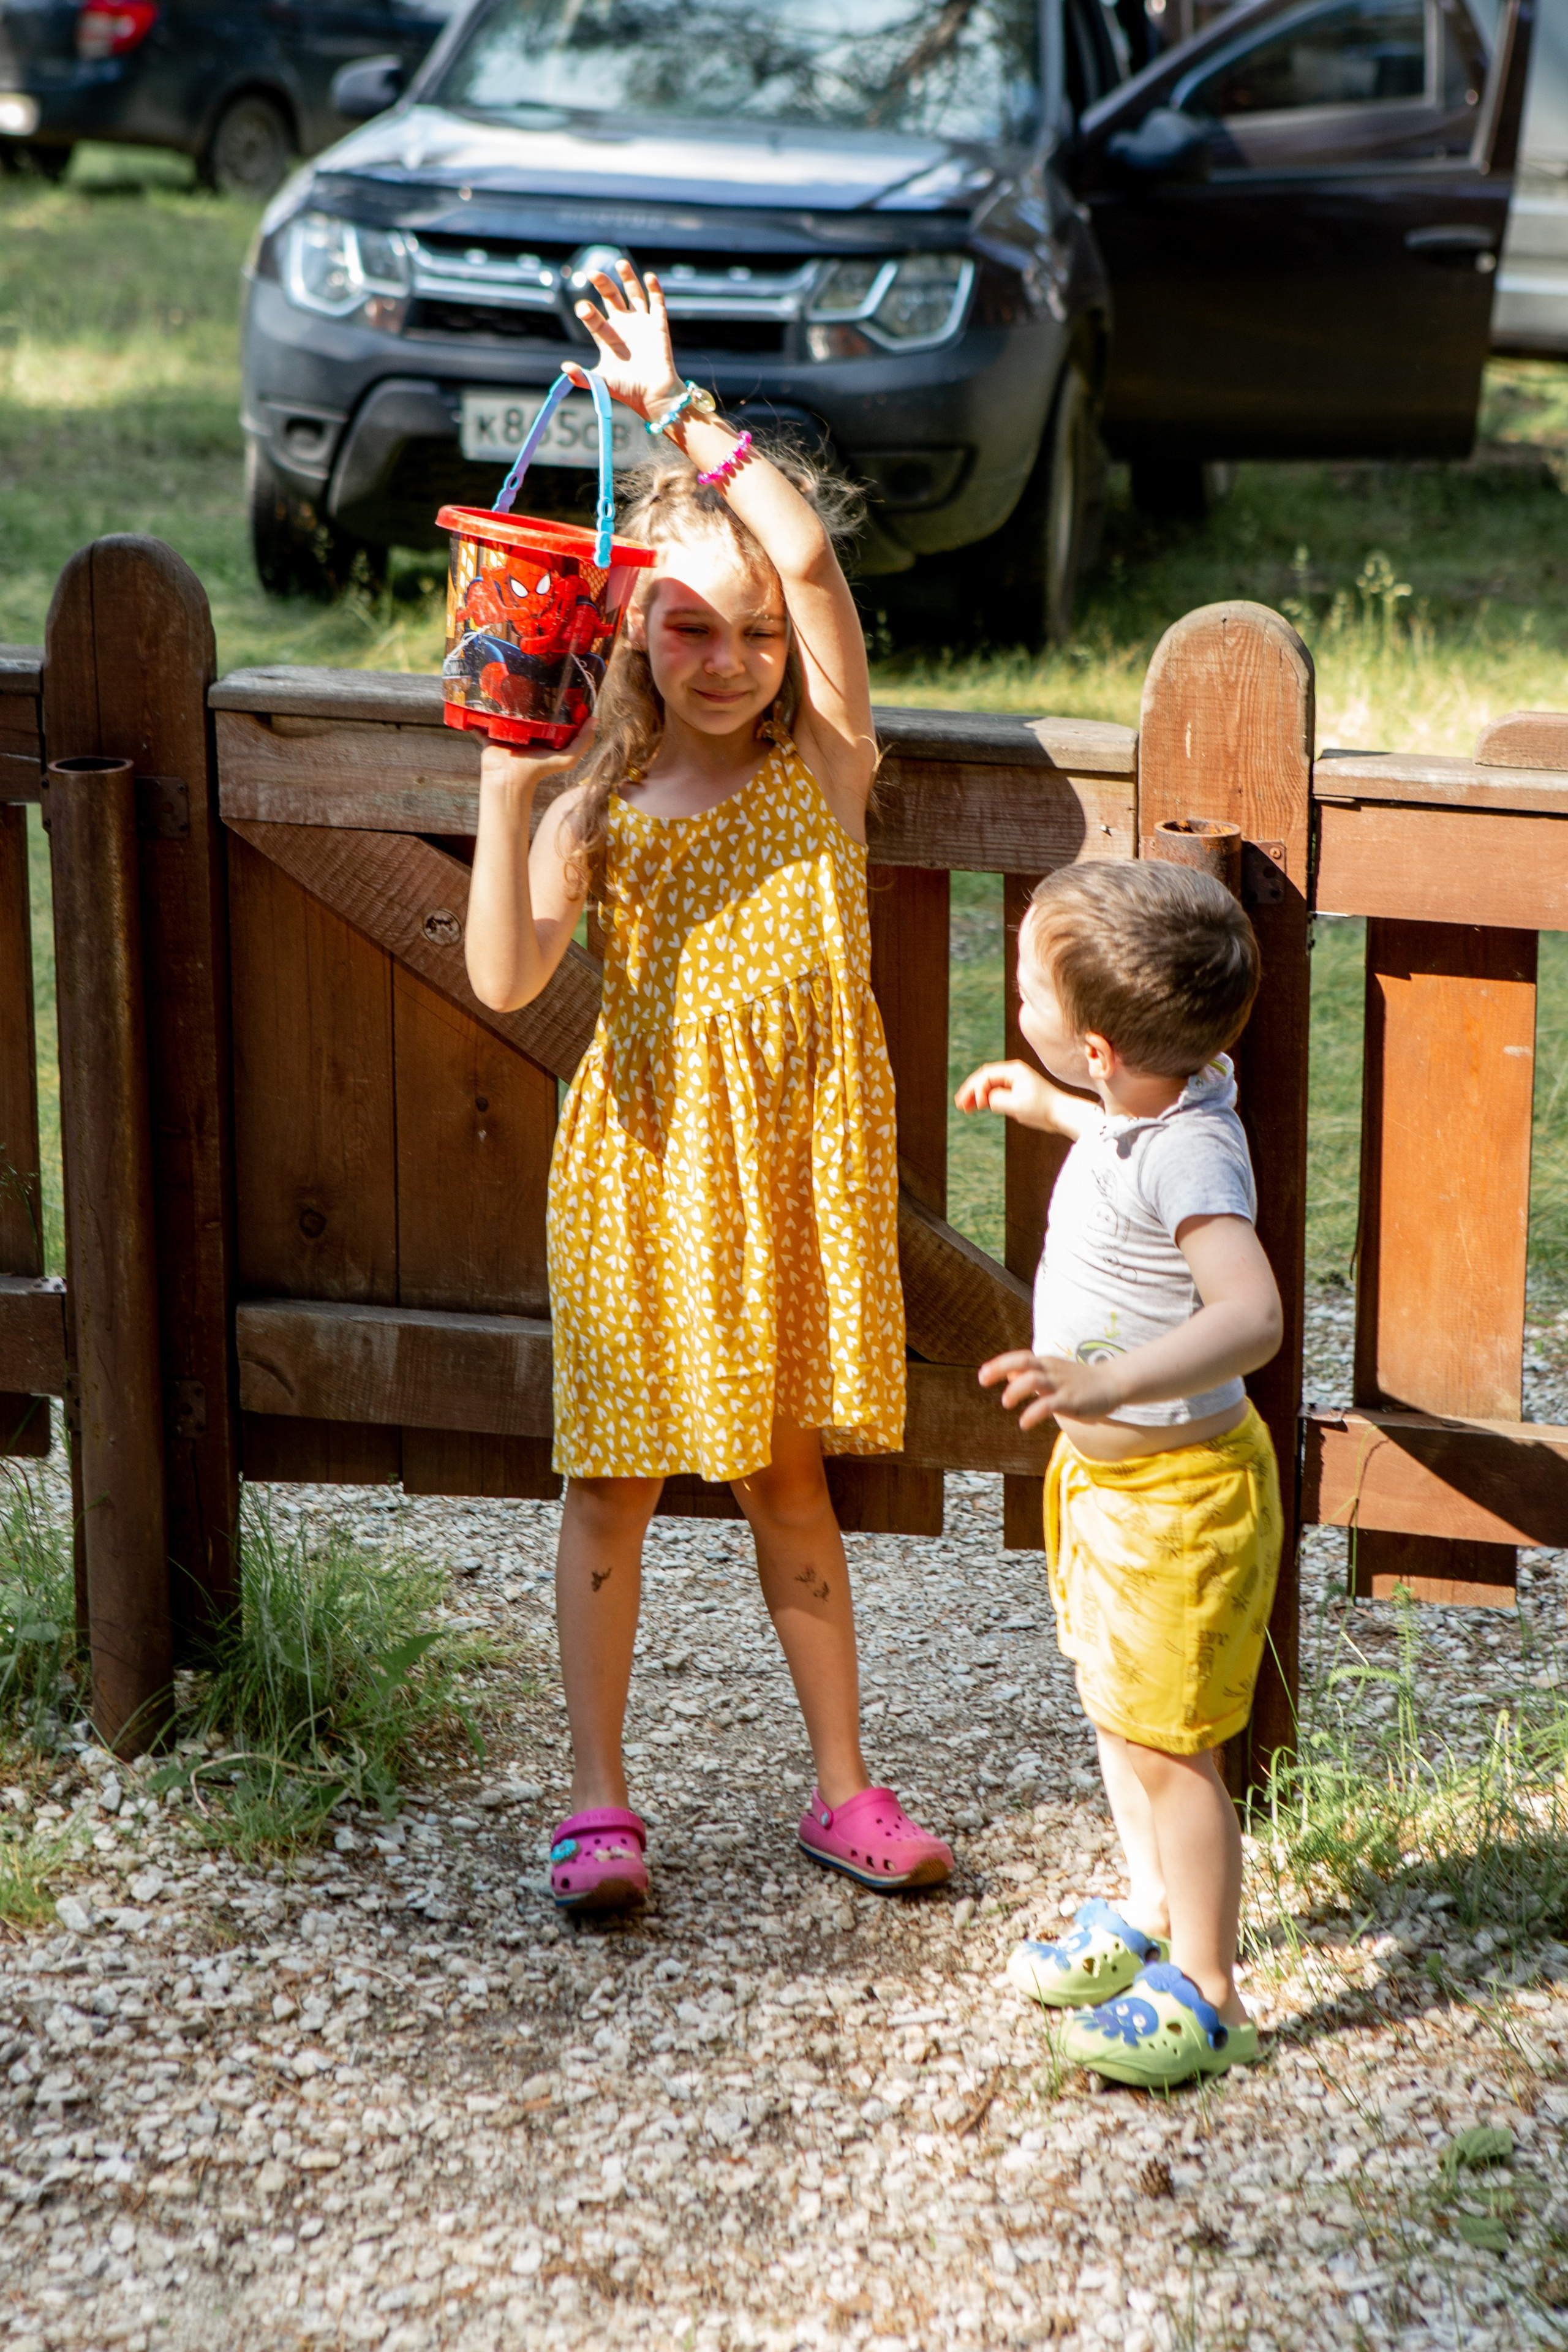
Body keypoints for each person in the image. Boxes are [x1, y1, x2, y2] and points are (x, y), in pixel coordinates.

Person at [464, 260, 952, 1914]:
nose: (733, 653)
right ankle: (597, 1803)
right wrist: (502, 785)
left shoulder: (827, 769)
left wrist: (674, 411)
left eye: (753, 633)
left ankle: (844, 1789)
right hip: (643, 1167)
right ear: (631, 627)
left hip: (784, 1175)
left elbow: (804, 554)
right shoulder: (597, 804)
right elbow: (508, 980)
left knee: (787, 1485)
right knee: (609, 1486)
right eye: (690, 622)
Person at [956, 861, 1283, 2086]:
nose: (1014, 1002)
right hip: (1111, 1494)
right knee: (1119, 1708)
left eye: (1027, 992)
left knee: (1172, 1746)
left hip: (1180, 1499)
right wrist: (1054, 1113)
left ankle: (1205, 1991)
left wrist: (1103, 1383)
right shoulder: (1158, 1101)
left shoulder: (1193, 1154)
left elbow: (1248, 1317)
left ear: (1094, 1043)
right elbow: (1130, 1134)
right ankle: (1146, 1906)